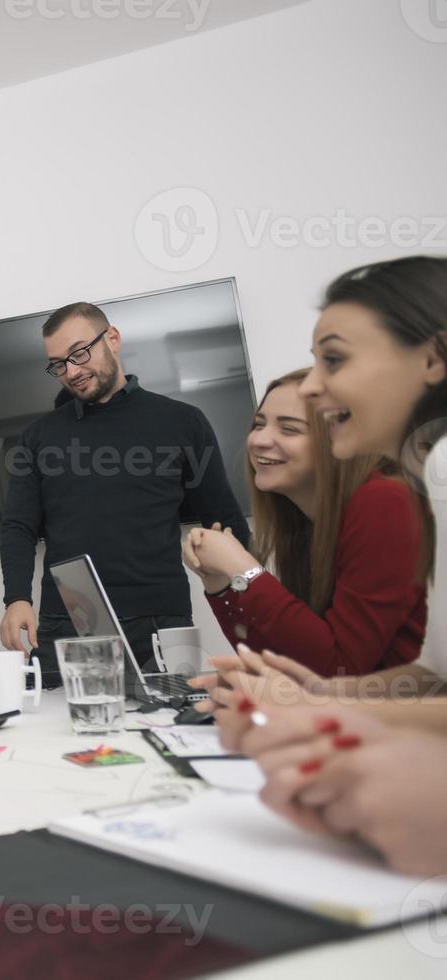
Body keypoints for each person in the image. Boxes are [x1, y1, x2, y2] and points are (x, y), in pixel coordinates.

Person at [199, 256, 447, 873]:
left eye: (332, 360)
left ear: (434, 359)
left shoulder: (397, 494)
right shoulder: (409, 486)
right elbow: (429, 676)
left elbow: (339, 657)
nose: (313, 386)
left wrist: (246, 580)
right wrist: (316, 693)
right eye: (260, 425)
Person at [0, 301, 250, 686]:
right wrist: (16, 598)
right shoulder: (38, 437)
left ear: (112, 339)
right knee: (51, 732)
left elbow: (224, 520)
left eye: (80, 353)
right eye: (59, 364)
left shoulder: (182, 422)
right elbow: (17, 527)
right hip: (69, 620)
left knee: (172, 727)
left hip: (160, 620)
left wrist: (248, 598)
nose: (72, 371)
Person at [182, 368, 425, 676]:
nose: (258, 440)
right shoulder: (306, 527)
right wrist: (219, 584)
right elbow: (282, 666)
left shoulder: (386, 503)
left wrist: (244, 568)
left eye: (289, 429)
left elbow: (339, 668)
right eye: (259, 424)